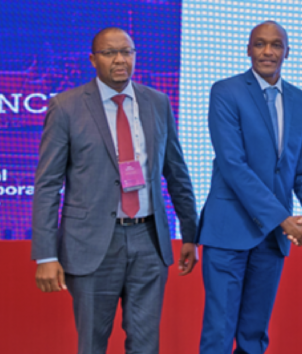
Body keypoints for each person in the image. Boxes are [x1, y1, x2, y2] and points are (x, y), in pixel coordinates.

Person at [31, 27, 198, 354]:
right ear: (93, 59)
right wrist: (46, 254)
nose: (120, 59)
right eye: (110, 53)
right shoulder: (66, 107)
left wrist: (190, 233)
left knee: (146, 345)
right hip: (91, 243)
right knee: (92, 344)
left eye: (127, 51)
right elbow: (48, 184)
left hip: (148, 240)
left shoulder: (157, 102)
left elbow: (176, 172)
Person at [196, 21, 302, 354]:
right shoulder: (225, 91)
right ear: (248, 48)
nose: (268, 52)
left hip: (271, 240)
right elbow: (233, 166)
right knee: (219, 333)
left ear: (287, 51)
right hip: (229, 231)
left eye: (276, 45)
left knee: (254, 337)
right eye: (260, 44)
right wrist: (283, 219)